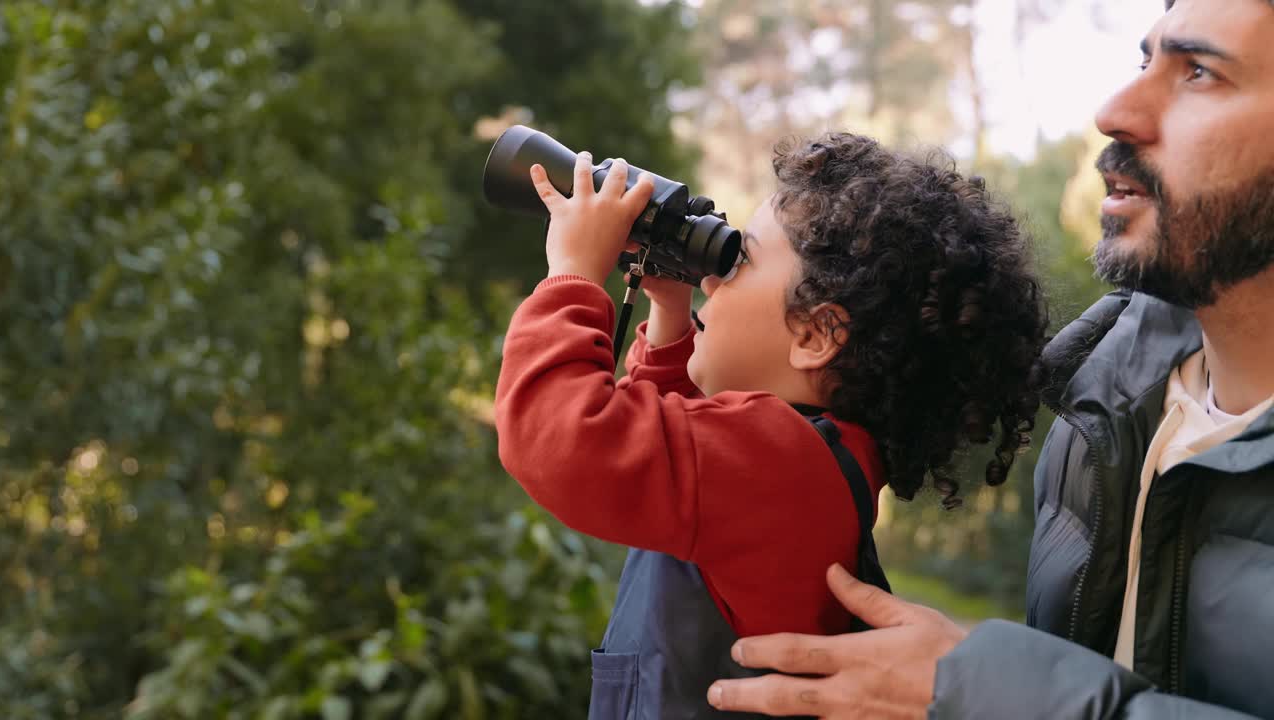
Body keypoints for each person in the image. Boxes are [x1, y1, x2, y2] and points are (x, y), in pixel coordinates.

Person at [705, 0, 1274, 717]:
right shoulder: (1097, 406)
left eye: (1198, 72)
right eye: (1143, 61)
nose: (1114, 111)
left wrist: (987, 691)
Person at [494, 135, 1048, 717]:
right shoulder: (810, 465)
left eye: (738, 261)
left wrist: (574, 274)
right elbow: (671, 461)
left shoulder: (782, 464)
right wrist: (671, 309)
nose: (710, 280)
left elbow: (562, 441)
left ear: (814, 335)